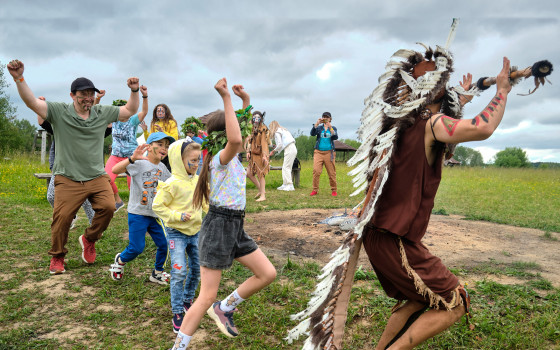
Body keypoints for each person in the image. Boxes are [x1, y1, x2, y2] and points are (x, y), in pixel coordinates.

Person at [169, 79, 276, 349]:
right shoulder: (220, 160)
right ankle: (179, 346)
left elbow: (242, 134)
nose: (246, 136)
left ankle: (225, 307)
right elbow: (236, 137)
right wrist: (226, 98)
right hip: (218, 226)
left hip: (235, 226)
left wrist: (245, 101)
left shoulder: (235, 162)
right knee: (205, 296)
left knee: (267, 273)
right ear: (224, 134)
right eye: (238, 130)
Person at [7, 59, 140, 275]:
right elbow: (32, 102)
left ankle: (89, 239)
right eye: (83, 94)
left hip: (96, 176)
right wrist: (19, 78)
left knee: (108, 208)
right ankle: (58, 257)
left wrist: (134, 91)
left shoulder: (101, 112)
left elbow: (129, 110)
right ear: (72, 95)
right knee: (62, 220)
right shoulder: (59, 112)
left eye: (90, 94)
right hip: (67, 177)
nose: (87, 98)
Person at [152, 139, 206, 333]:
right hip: (177, 234)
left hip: (196, 232)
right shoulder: (171, 184)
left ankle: (186, 300)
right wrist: (177, 216)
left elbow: (204, 201)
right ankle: (177, 311)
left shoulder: (198, 180)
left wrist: (212, 212)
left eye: (198, 159)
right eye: (193, 160)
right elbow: (157, 206)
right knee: (179, 272)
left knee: (197, 269)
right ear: (178, 161)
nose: (196, 164)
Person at [108, 132, 174, 285]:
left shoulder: (163, 168)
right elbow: (115, 170)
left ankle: (157, 273)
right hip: (138, 213)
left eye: (166, 145)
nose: (164, 148)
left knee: (165, 243)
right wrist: (131, 158)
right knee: (137, 248)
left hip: (155, 214)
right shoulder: (138, 163)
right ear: (149, 147)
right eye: (160, 144)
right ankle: (120, 260)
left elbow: (172, 185)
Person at [37, 94, 109, 228]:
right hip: (63, 169)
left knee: (86, 200)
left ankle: (95, 225)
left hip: (85, 170)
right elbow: (43, 123)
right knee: (51, 196)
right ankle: (71, 216)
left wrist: (101, 107)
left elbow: (104, 125)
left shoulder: (89, 128)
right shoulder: (61, 126)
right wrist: (40, 104)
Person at [104, 86, 149, 212]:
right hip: (116, 156)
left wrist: (144, 96)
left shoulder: (133, 120)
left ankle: (138, 208)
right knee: (106, 179)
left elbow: (144, 111)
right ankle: (118, 201)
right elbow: (98, 117)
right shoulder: (113, 120)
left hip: (131, 157)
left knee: (133, 185)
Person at [143, 103, 179, 172]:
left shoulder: (171, 122)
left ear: (166, 113)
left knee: (167, 171)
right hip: (157, 152)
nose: (160, 113)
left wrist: (162, 131)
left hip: (169, 152)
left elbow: (175, 138)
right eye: (158, 111)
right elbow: (150, 139)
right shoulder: (154, 123)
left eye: (162, 111)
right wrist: (145, 131)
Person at [310, 112, 338, 196]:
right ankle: (315, 189)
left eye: (327, 117)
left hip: (329, 152)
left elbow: (335, 137)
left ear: (330, 119)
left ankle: (334, 190)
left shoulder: (333, 128)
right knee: (316, 171)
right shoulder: (319, 128)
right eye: (324, 117)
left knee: (331, 172)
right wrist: (316, 124)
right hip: (318, 152)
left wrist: (330, 127)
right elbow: (312, 134)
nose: (326, 119)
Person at [246, 110, 270, 202]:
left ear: (261, 119)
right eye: (254, 117)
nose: (256, 119)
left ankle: (263, 195)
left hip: (261, 155)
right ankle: (261, 190)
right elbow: (249, 141)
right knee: (249, 173)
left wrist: (264, 155)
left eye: (258, 117)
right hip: (253, 155)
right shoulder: (251, 129)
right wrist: (248, 152)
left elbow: (264, 143)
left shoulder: (263, 129)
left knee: (261, 174)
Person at [268, 120, 297, 191]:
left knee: (286, 167)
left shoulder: (277, 132)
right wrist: (276, 147)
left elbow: (280, 144)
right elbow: (281, 144)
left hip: (289, 149)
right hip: (291, 148)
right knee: (286, 167)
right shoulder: (283, 130)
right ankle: (285, 184)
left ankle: (290, 185)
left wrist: (273, 151)